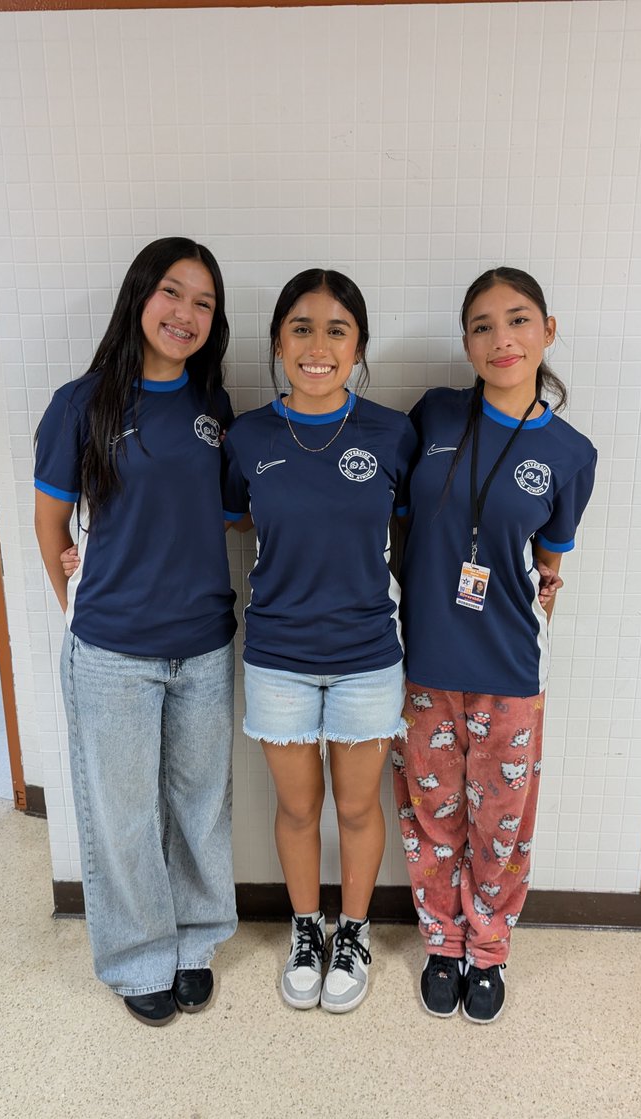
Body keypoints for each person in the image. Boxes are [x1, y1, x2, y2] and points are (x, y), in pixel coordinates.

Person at [33, 238, 239, 1027]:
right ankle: (136, 957)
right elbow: (50, 520)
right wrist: (85, 606)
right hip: (112, 652)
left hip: (205, 645)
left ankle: (194, 940)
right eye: (172, 293)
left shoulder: (213, 410)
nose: (185, 314)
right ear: (139, 297)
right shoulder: (82, 403)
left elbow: (225, 514)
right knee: (121, 814)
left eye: (204, 302)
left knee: (200, 806)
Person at [394, 266, 596, 1023]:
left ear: (548, 331)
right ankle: (441, 943)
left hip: (510, 671)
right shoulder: (435, 415)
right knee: (429, 818)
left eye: (517, 320)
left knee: (499, 827)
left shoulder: (572, 454)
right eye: (481, 325)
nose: (500, 338)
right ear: (467, 341)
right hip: (424, 663)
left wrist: (546, 583)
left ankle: (488, 951)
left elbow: (550, 564)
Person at [221, 269, 417, 1013]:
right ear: (278, 341)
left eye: (337, 329)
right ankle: (308, 929)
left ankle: (355, 931)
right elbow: (237, 520)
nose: (317, 345)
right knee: (299, 809)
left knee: (360, 810)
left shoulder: (392, 432)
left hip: (369, 656)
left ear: (358, 346)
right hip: (278, 658)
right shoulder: (248, 436)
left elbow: (414, 525)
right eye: (301, 327)